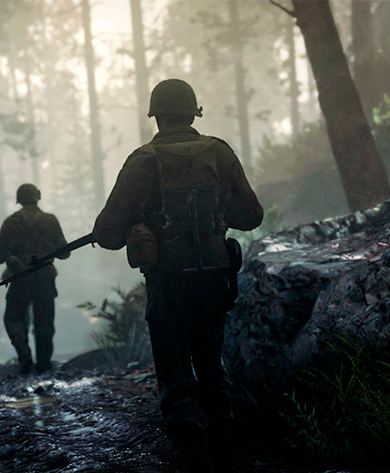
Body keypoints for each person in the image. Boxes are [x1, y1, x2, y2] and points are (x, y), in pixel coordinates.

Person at [92, 79, 263, 473]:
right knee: (210, 360)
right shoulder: (218, 152)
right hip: (215, 277)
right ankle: (222, 446)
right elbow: (251, 216)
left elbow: (107, 234)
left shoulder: (142, 160)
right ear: (193, 113)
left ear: (157, 116)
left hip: (167, 281)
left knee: (174, 368)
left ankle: (198, 454)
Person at [0, 184, 69, 374]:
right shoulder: (50, 221)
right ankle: (43, 364)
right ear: (37, 197)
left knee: (14, 319)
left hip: (19, 278)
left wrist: (12, 256)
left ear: (20, 199)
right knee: (45, 322)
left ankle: (25, 358)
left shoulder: (11, 222)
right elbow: (65, 253)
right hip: (45, 278)